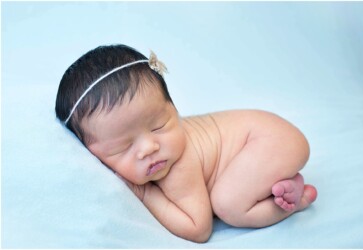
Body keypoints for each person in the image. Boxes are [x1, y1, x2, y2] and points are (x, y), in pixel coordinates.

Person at [55, 44, 317, 243]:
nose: (149, 148)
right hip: (265, 146)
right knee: (230, 190)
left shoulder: (178, 165)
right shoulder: (157, 149)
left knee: (227, 204)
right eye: (123, 147)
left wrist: (146, 194)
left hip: (269, 140)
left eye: (159, 126)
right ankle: (277, 186)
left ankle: (297, 201)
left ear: (174, 109)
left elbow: (198, 229)